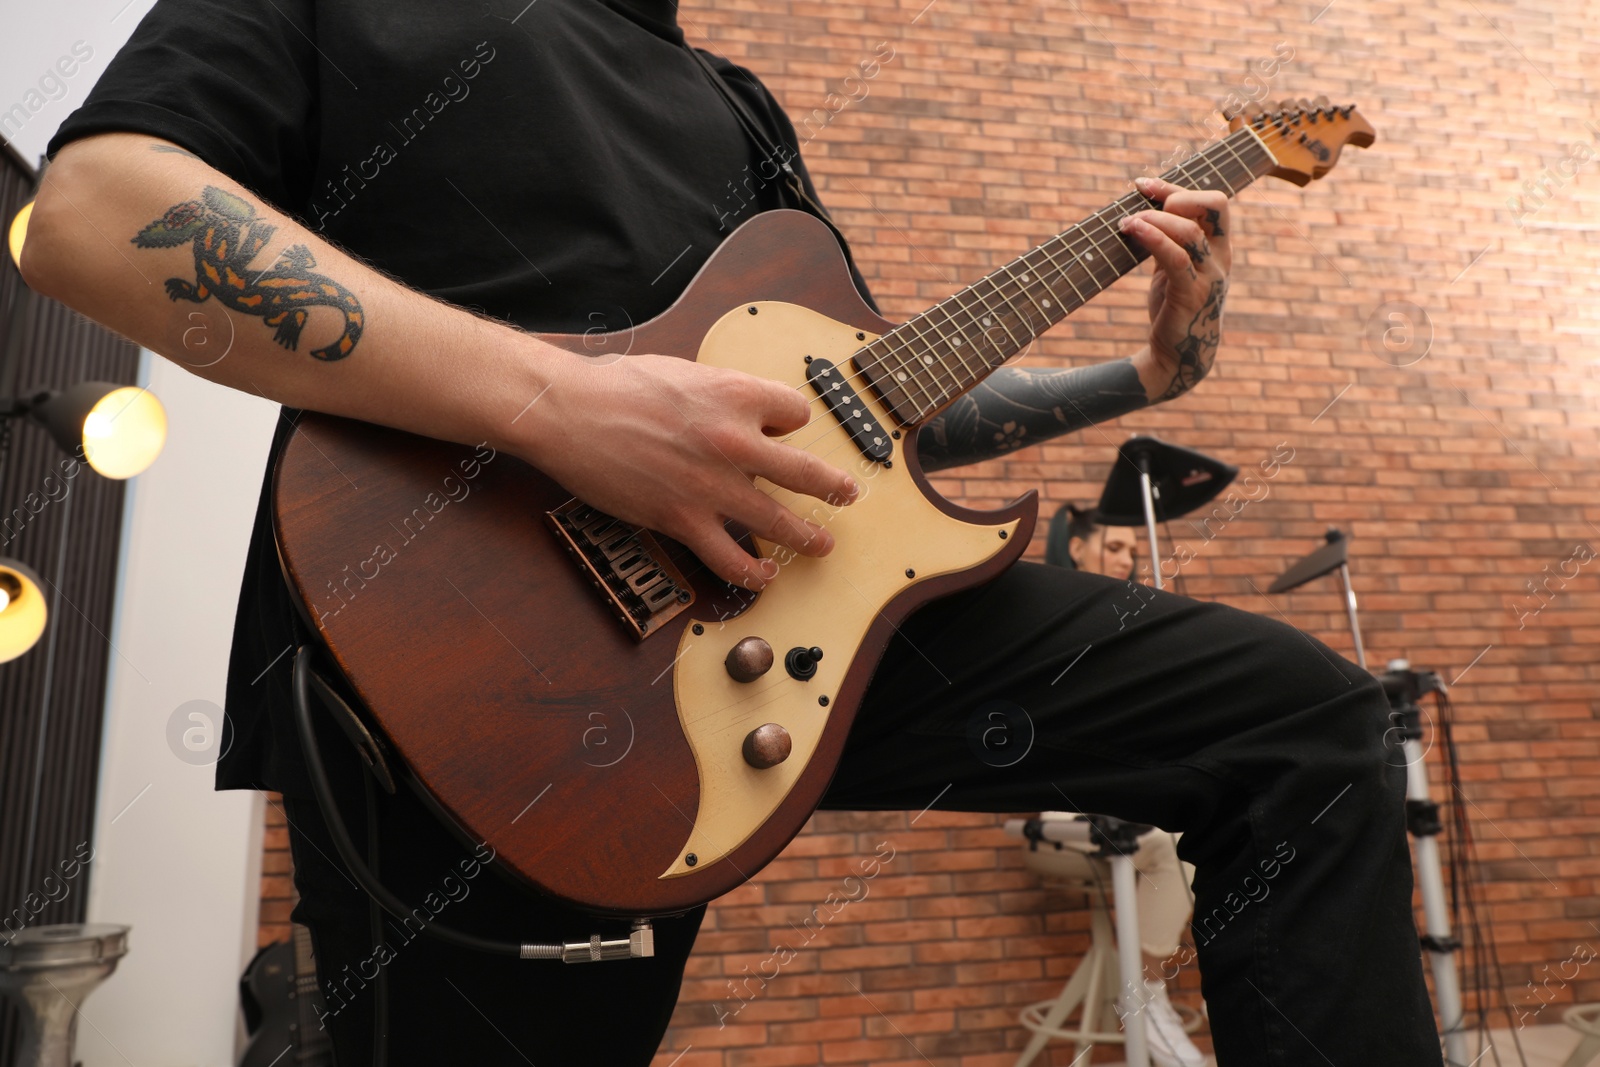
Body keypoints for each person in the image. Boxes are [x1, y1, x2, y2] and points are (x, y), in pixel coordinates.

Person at [21, 1, 1443, 1064]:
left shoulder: (731, 97)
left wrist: (1147, 378)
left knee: (1305, 730)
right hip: (487, 637)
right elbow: (96, 212)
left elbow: (871, 408)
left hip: (798, 604)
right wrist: (559, 402)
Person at [1046, 501, 1204, 1067]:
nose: (1127, 559)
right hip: (1057, 806)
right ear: (1077, 546)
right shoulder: (1050, 616)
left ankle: (1147, 991)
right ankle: (1142, 999)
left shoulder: (1132, 618)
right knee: (1162, 846)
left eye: (1134, 552)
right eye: (1114, 547)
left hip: (1125, 799)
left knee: (1197, 837)